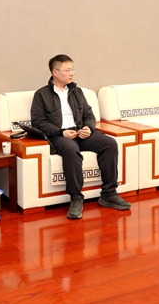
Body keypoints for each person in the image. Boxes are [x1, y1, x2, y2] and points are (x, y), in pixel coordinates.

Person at [31, 54, 132, 219]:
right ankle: (76, 198)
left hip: (80, 132)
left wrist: (89, 128)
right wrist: (60, 132)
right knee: (71, 150)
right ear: (55, 72)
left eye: (73, 69)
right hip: (59, 136)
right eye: (68, 70)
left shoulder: (77, 92)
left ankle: (109, 194)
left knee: (109, 143)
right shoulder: (41, 95)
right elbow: (37, 122)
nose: (72, 73)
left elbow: (89, 114)